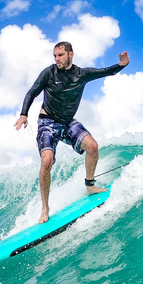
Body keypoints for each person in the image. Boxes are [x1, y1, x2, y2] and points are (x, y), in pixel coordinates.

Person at [15, 41, 130, 224]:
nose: (56, 59)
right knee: (47, 160)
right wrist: (23, 114)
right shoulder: (49, 72)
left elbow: (105, 71)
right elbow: (32, 92)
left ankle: (90, 186)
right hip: (48, 122)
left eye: (60, 55)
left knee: (92, 146)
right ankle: (45, 209)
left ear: (71, 54)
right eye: (54, 56)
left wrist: (122, 65)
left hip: (68, 122)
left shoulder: (81, 74)